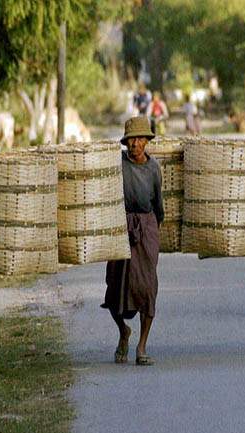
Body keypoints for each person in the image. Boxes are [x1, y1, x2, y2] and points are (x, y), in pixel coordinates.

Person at [101, 116, 164, 365]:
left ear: (147, 141)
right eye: (130, 140)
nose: (135, 144)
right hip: (121, 226)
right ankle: (123, 332)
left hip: (146, 227)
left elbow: (158, 205)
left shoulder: (153, 168)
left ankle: (142, 346)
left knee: (147, 287)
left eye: (139, 139)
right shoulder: (118, 165)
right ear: (125, 143)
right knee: (115, 287)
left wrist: (152, 233)